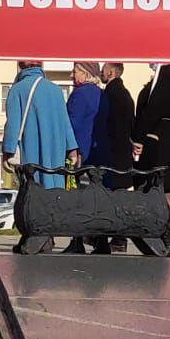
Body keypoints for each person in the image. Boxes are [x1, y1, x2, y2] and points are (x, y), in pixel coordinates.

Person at [4, 61, 80, 255]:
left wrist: (8, 150)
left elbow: (13, 124)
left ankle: (37, 235)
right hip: (55, 152)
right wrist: (72, 149)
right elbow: (65, 122)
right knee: (51, 190)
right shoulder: (55, 90)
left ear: (20, 66)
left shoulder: (17, 90)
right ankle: (46, 234)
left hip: (31, 153)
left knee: (32, 192)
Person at [133, 63, 170, 256]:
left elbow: (153, 109)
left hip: (164, 136)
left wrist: (139, 135)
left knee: (166, 189)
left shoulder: (165, 76)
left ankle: (166, 239)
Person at [62, 61, 105, 254]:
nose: (72, 75)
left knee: (79, 199)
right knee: (97, 199)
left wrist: (71, 149)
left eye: (75, 71)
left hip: (80, 155)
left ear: (86, 73)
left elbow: (72, 124)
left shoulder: (79, 95)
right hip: (98, 154)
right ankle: (100, 240)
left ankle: (77, 240)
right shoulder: (101, 94)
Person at [95, 62, 136, 253]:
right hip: (122, 152)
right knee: (120, 195)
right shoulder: (125, 94)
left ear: (110, 72)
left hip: (111, 152)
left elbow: (103, 123)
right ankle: (118, 238)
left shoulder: (110, 94)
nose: (101, 72)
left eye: (103, 69)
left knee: (109, 197)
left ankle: (113, 237)